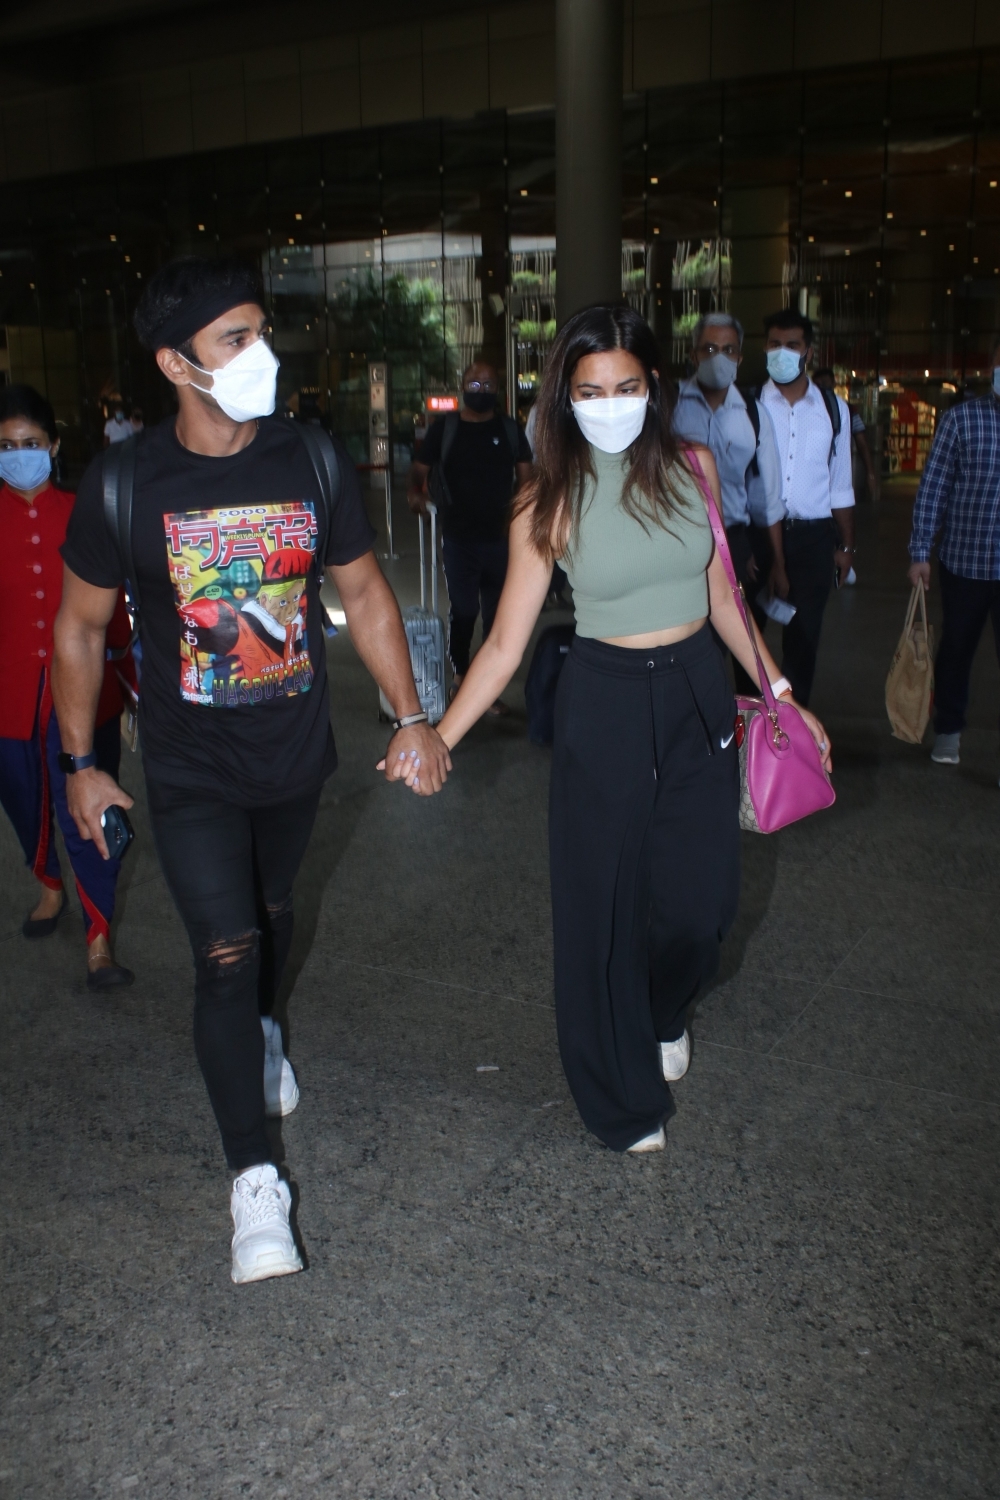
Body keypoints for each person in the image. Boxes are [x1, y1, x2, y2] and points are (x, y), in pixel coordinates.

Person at [53, 257, 451, 1285]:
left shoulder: (308, 458)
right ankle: (253, 1182)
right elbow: (80, 629)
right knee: (224, 951)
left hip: (293, 757)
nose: (259, 354)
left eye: (259, 332)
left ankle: (266, 1028)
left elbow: (365, 593)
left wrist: (412, 716)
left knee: (271, 913)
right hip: (187, 769)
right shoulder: (124, 483)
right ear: (176, 363)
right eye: (235, 339)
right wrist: (81, 764)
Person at [390, 306, 831, 1155]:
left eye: (625, 386)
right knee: (603, 907)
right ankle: (618, 1097)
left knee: (705, 907)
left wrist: (780, 692)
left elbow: (721, 596)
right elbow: (505, 645)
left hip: (698, 690)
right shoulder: (546, 496)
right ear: (565, 397)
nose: (609, 404)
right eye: (589, 391)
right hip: (606, 700)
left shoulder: (695, 466)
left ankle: (662, 1011)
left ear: (653, 387)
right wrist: (439, 732)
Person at [0, 384, 135, 988]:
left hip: (82, 694)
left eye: (29, 443)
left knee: (89, 809)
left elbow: (114, 611)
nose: (18, 455)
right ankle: (50, 883)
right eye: (6, 446)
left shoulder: (85, 511)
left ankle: (98, 936)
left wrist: (130, 683)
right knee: (24, 800)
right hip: (9, 696)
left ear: (53, 446)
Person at [407, 361, 533, 711]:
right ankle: (461, 675)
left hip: (501, 540)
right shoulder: (444, 429)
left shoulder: (510, 430)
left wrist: (523, 520)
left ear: (498, 389)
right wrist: (415, 493)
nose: (481, 390)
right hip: (458, 538)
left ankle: (487, 687)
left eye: (488, 384)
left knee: (496, 616)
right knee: (463, 610)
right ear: (462, 387)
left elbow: (526, 481)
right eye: (474, 384)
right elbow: (418, 470)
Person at [672, 312, 785, 687]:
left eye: (727, 350)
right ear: (693, 355)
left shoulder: (754, 414)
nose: (718, 358)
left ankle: (743, 717)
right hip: (681, 539)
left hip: (735, 541)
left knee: (740, 641)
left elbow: (766, 496)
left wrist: (775, 560)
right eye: (708, 349)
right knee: (689, 643)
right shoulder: (671, 406)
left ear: (739, 357)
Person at [908, 338, 1000, 769]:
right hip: (966, 562)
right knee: (956, 650)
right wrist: (920, 551)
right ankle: (948, 729)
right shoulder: (961, 420)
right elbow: (934, 488)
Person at [760, 309, 855, 706]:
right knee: (746, 636)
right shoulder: (751, 405)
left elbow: (840, 484)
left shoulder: (833, 409)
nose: (782, 352)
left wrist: (845, 546)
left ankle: (793, 725)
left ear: (808, 353)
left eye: (792, 345)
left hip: (813, 539)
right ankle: (748, 723)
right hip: (758, 536)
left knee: (803, 641)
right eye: (774, 344)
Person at [813, 367, 876, 514]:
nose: (823, 388)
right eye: (819, 384)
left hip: (833, 479)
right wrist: (870, 473)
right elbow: (861, 441)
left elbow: (862, 442)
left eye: (825, 383)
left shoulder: (846, 409)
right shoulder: (806, 410)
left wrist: (870, 472)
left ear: (834, 383)